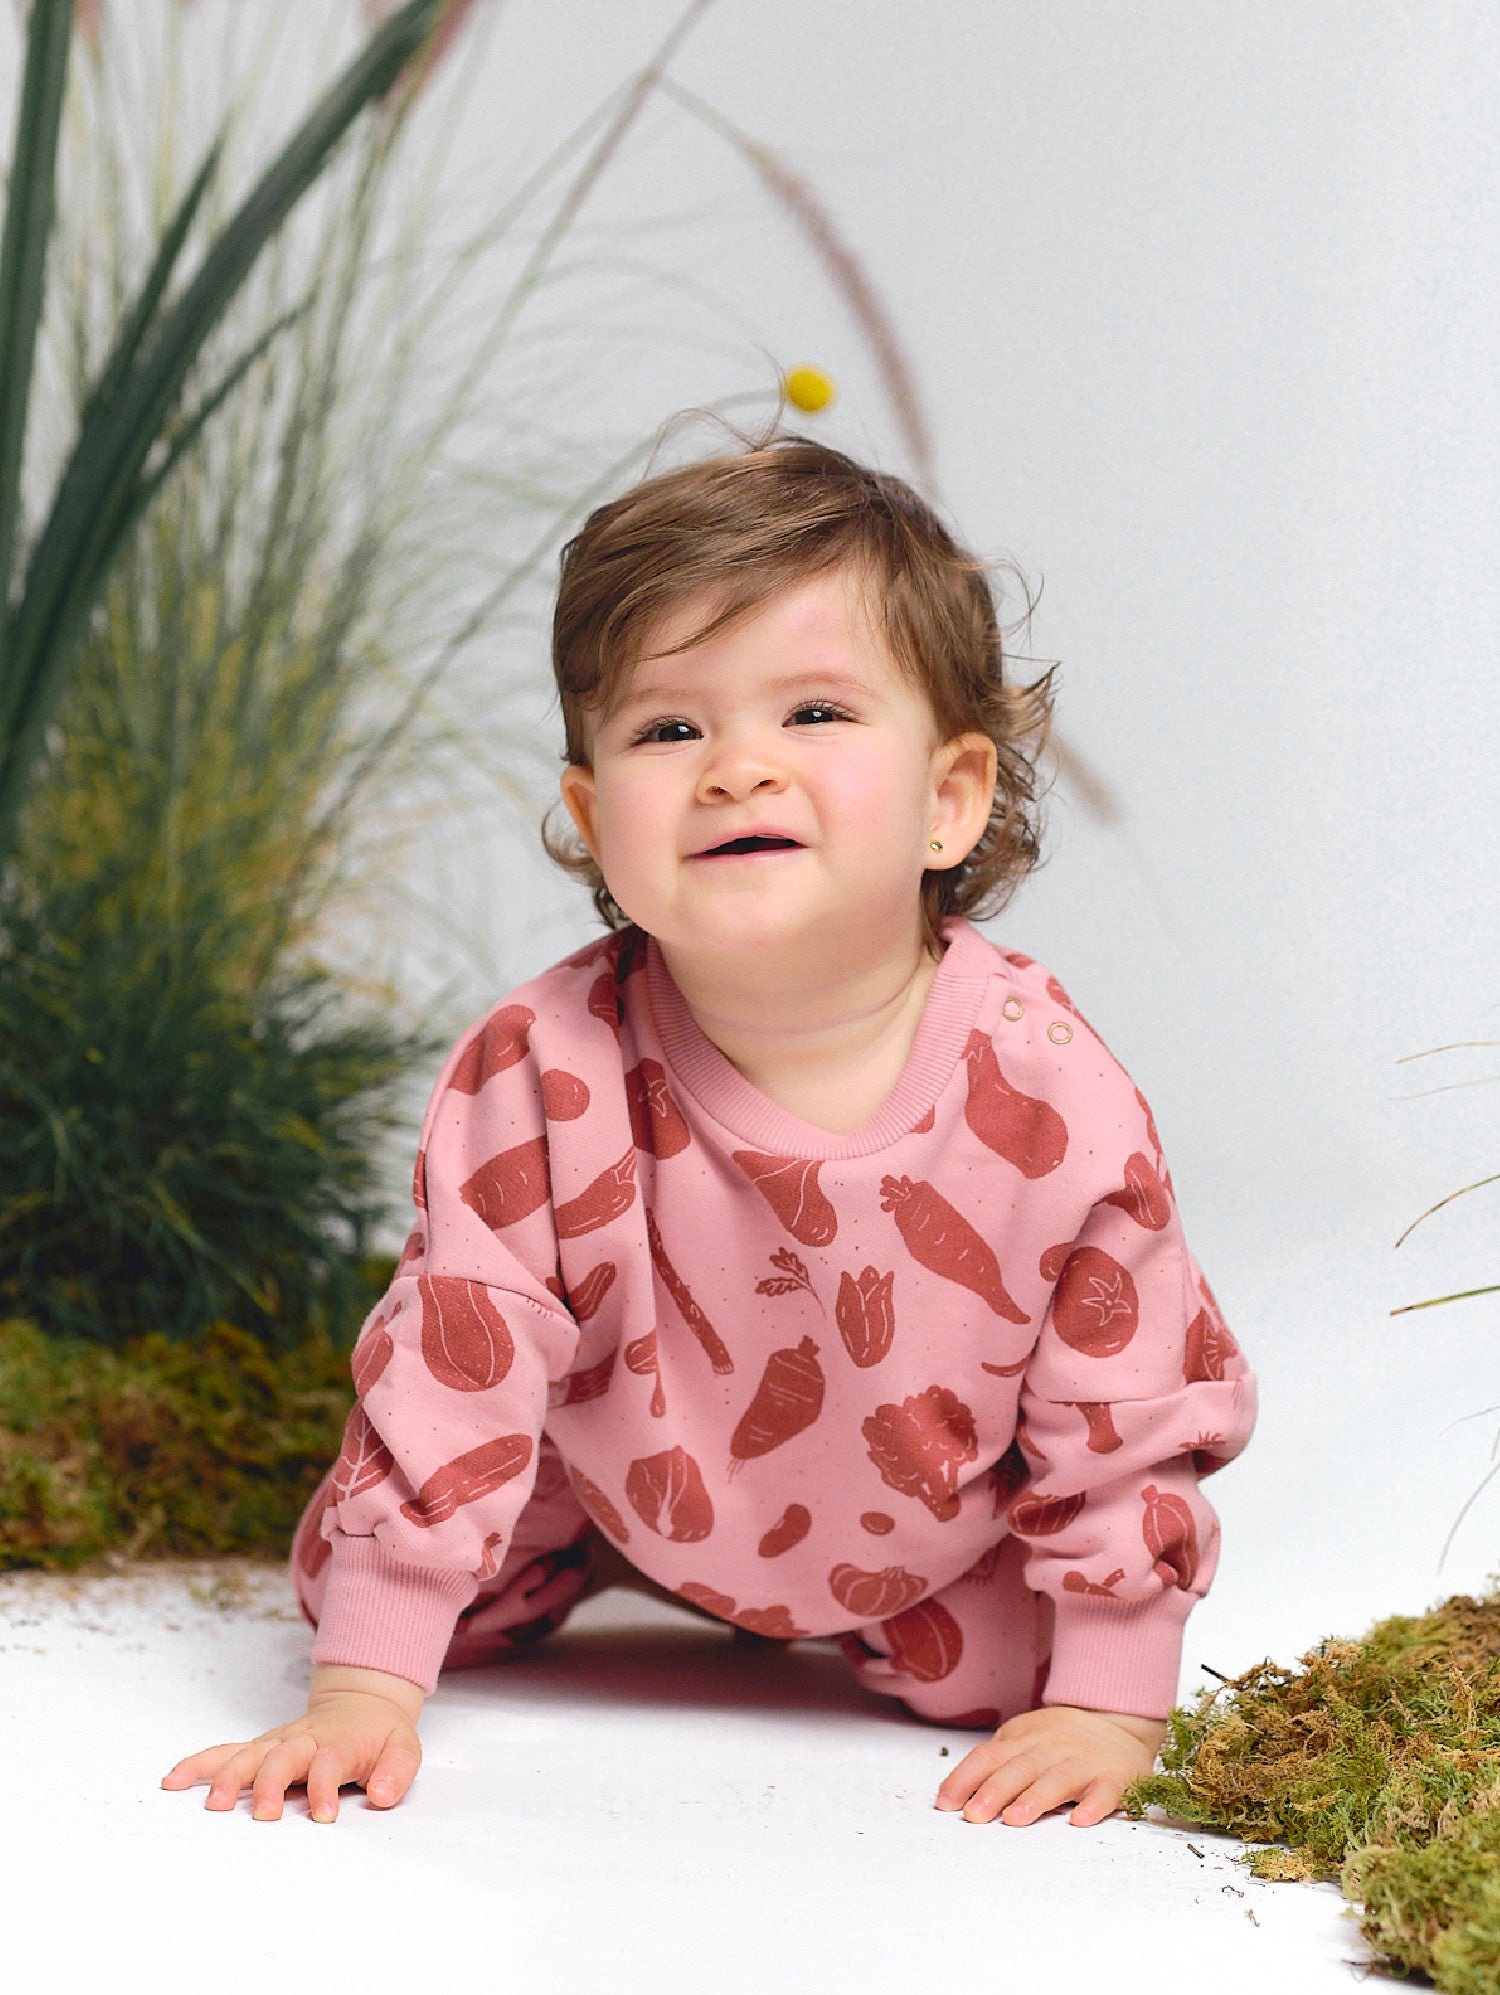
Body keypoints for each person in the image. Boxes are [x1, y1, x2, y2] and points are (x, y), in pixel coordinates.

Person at [162, 435, 1255, 1830]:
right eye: (670, 730)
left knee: (1029, 1673)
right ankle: (565, 1568)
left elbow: (1125, 1398)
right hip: (603, 1484)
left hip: (920, 1538)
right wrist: (361, 1693)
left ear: (949, 800)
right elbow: (461, 1350)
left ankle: (985, 1642)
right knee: (349, 1580)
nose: (737, 768)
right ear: (591, 818)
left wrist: (1110, 1700)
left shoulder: (1048, 1094)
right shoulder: (544, 1064)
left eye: (812, 714)